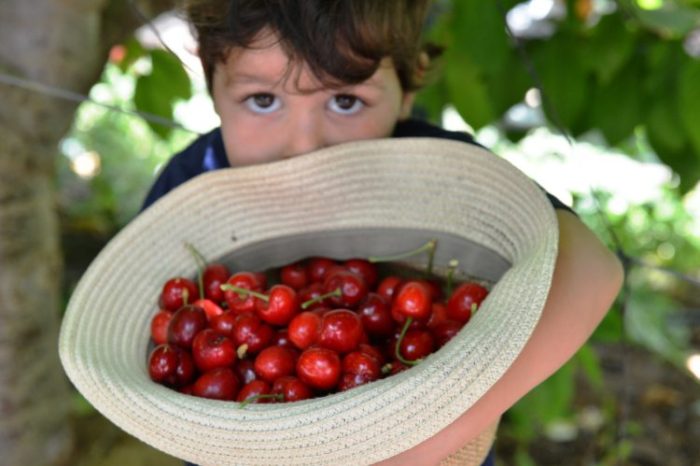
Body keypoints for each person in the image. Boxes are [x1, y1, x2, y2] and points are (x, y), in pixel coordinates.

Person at [141, 1, 624, 464]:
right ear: (212, 85)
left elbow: (593, 270)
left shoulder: (435, 167)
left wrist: (427, 443)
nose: (305, 146)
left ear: (407, 88)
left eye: (346, 100)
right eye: (262, 100)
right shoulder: (192, 186)